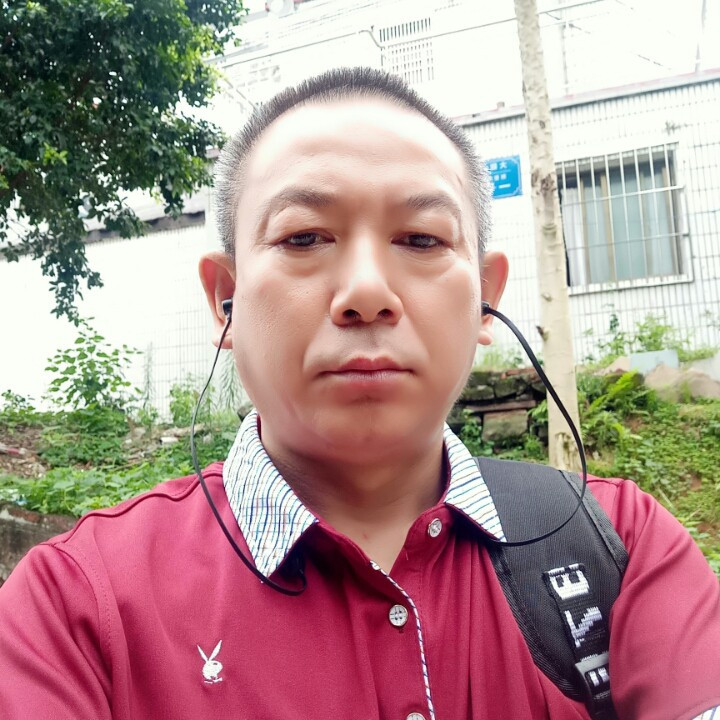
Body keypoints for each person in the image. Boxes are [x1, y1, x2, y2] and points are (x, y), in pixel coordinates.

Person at [0, 67, 718, 720]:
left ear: (485, 300)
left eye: (422, 239)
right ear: (225, 299)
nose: (367, 291)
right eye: (304, 238)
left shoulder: (622, 547)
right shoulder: (73, 610)